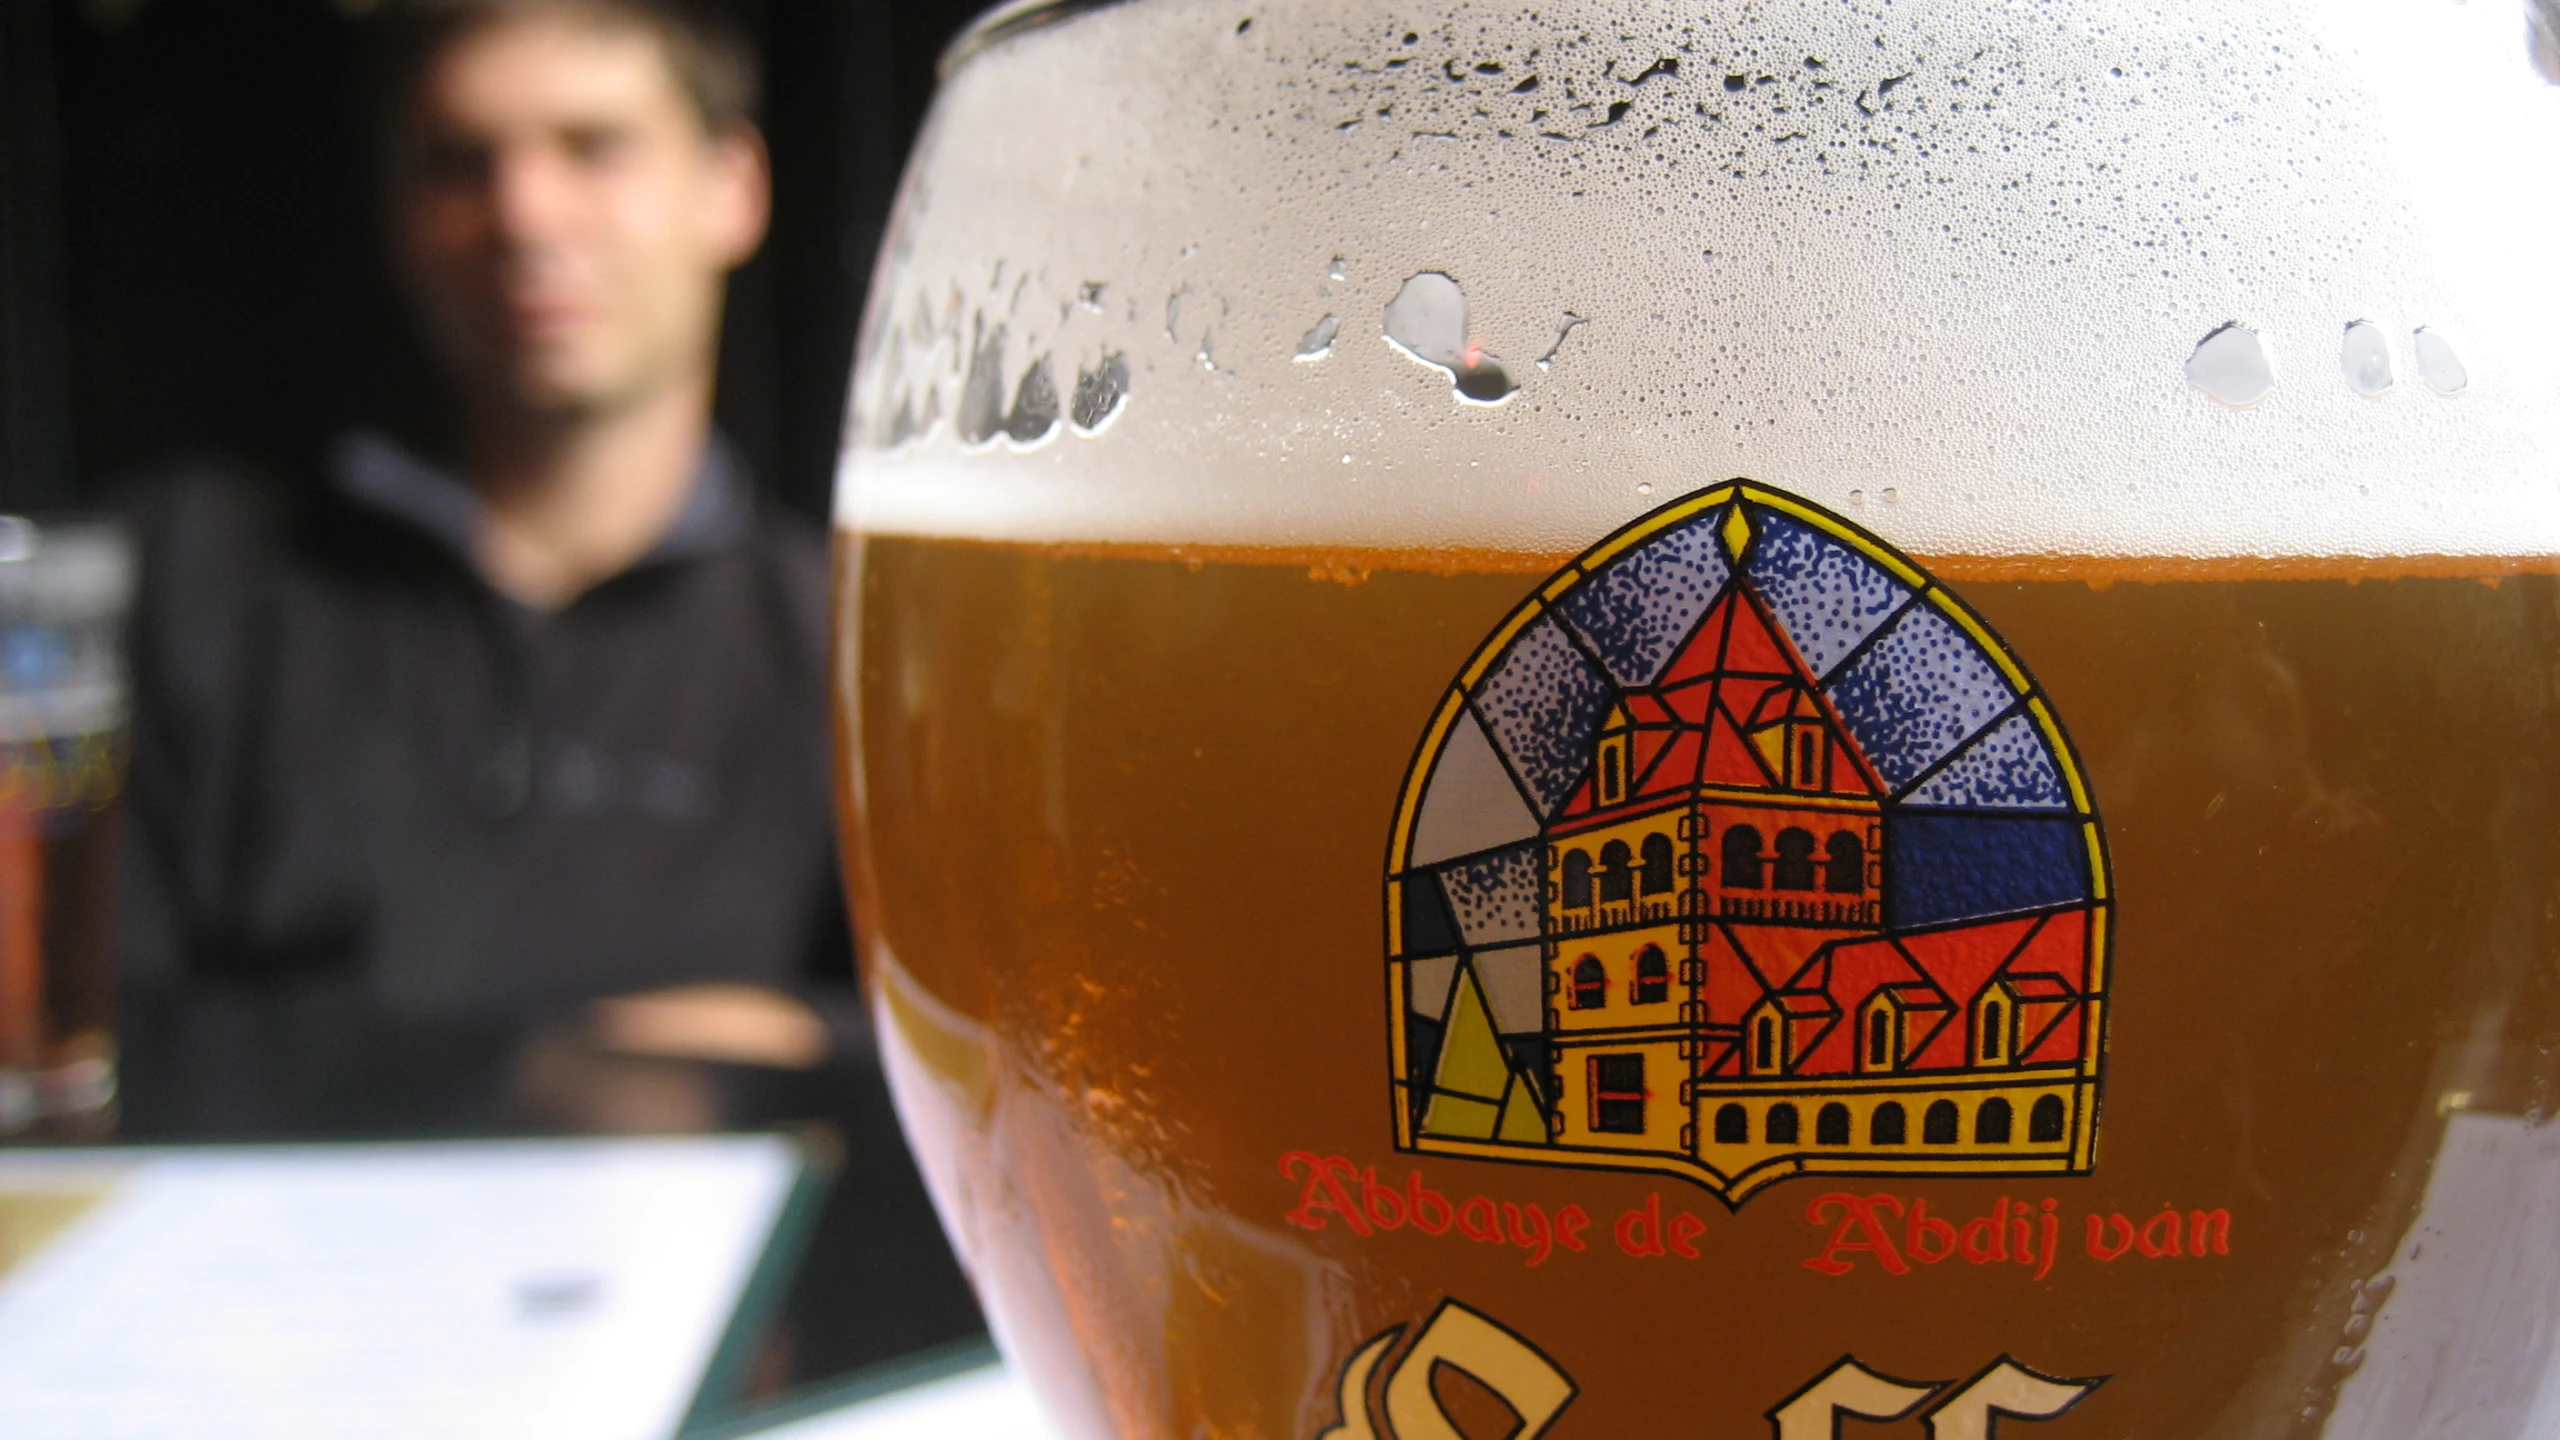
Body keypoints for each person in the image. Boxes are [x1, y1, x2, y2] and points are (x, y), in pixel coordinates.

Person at [117, 0, 849, 1137]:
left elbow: (968, 1044)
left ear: (731, 189)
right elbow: (78, 1022)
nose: (523, 213)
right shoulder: (194, 580)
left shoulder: (842, 643)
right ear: (402, 219)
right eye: (461, 163)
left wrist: (798, 1035)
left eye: (594, 147)